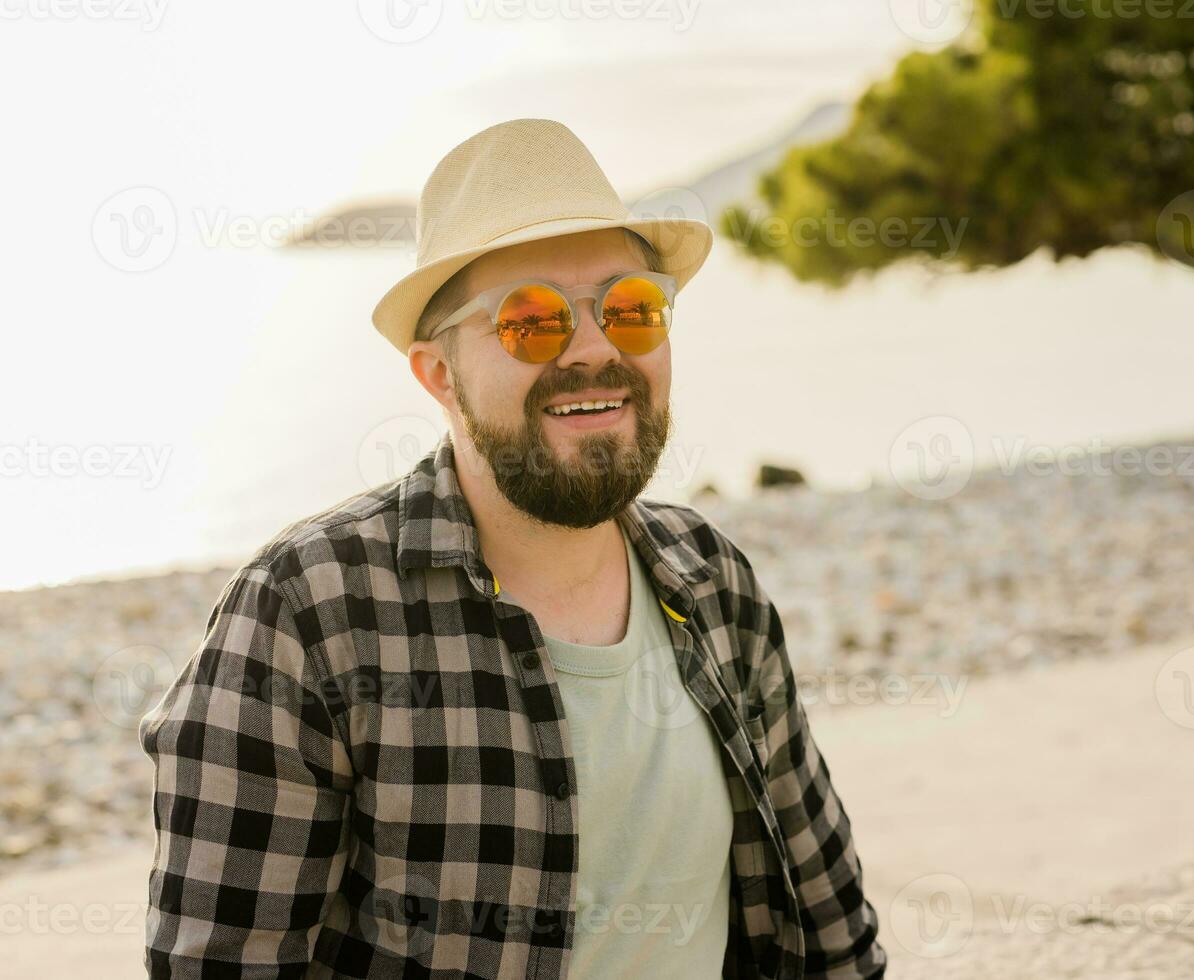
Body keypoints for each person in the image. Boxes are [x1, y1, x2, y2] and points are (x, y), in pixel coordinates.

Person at [139, 118, 886, 978]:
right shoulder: (308, 613)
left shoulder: (717, 584)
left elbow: (832, 930)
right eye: (533, 321)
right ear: (438, 375)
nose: (598, 348)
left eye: (631, 309)